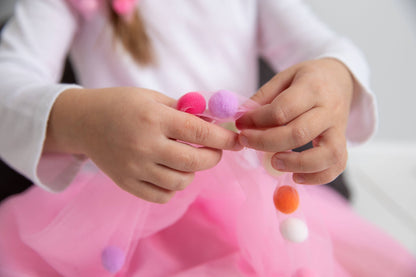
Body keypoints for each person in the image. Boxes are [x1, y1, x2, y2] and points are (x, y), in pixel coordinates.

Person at [0, 0, 414, 276]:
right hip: (122, 211)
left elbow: (323, 45)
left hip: (247, 202)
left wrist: (336, 77)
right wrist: (82, 122)